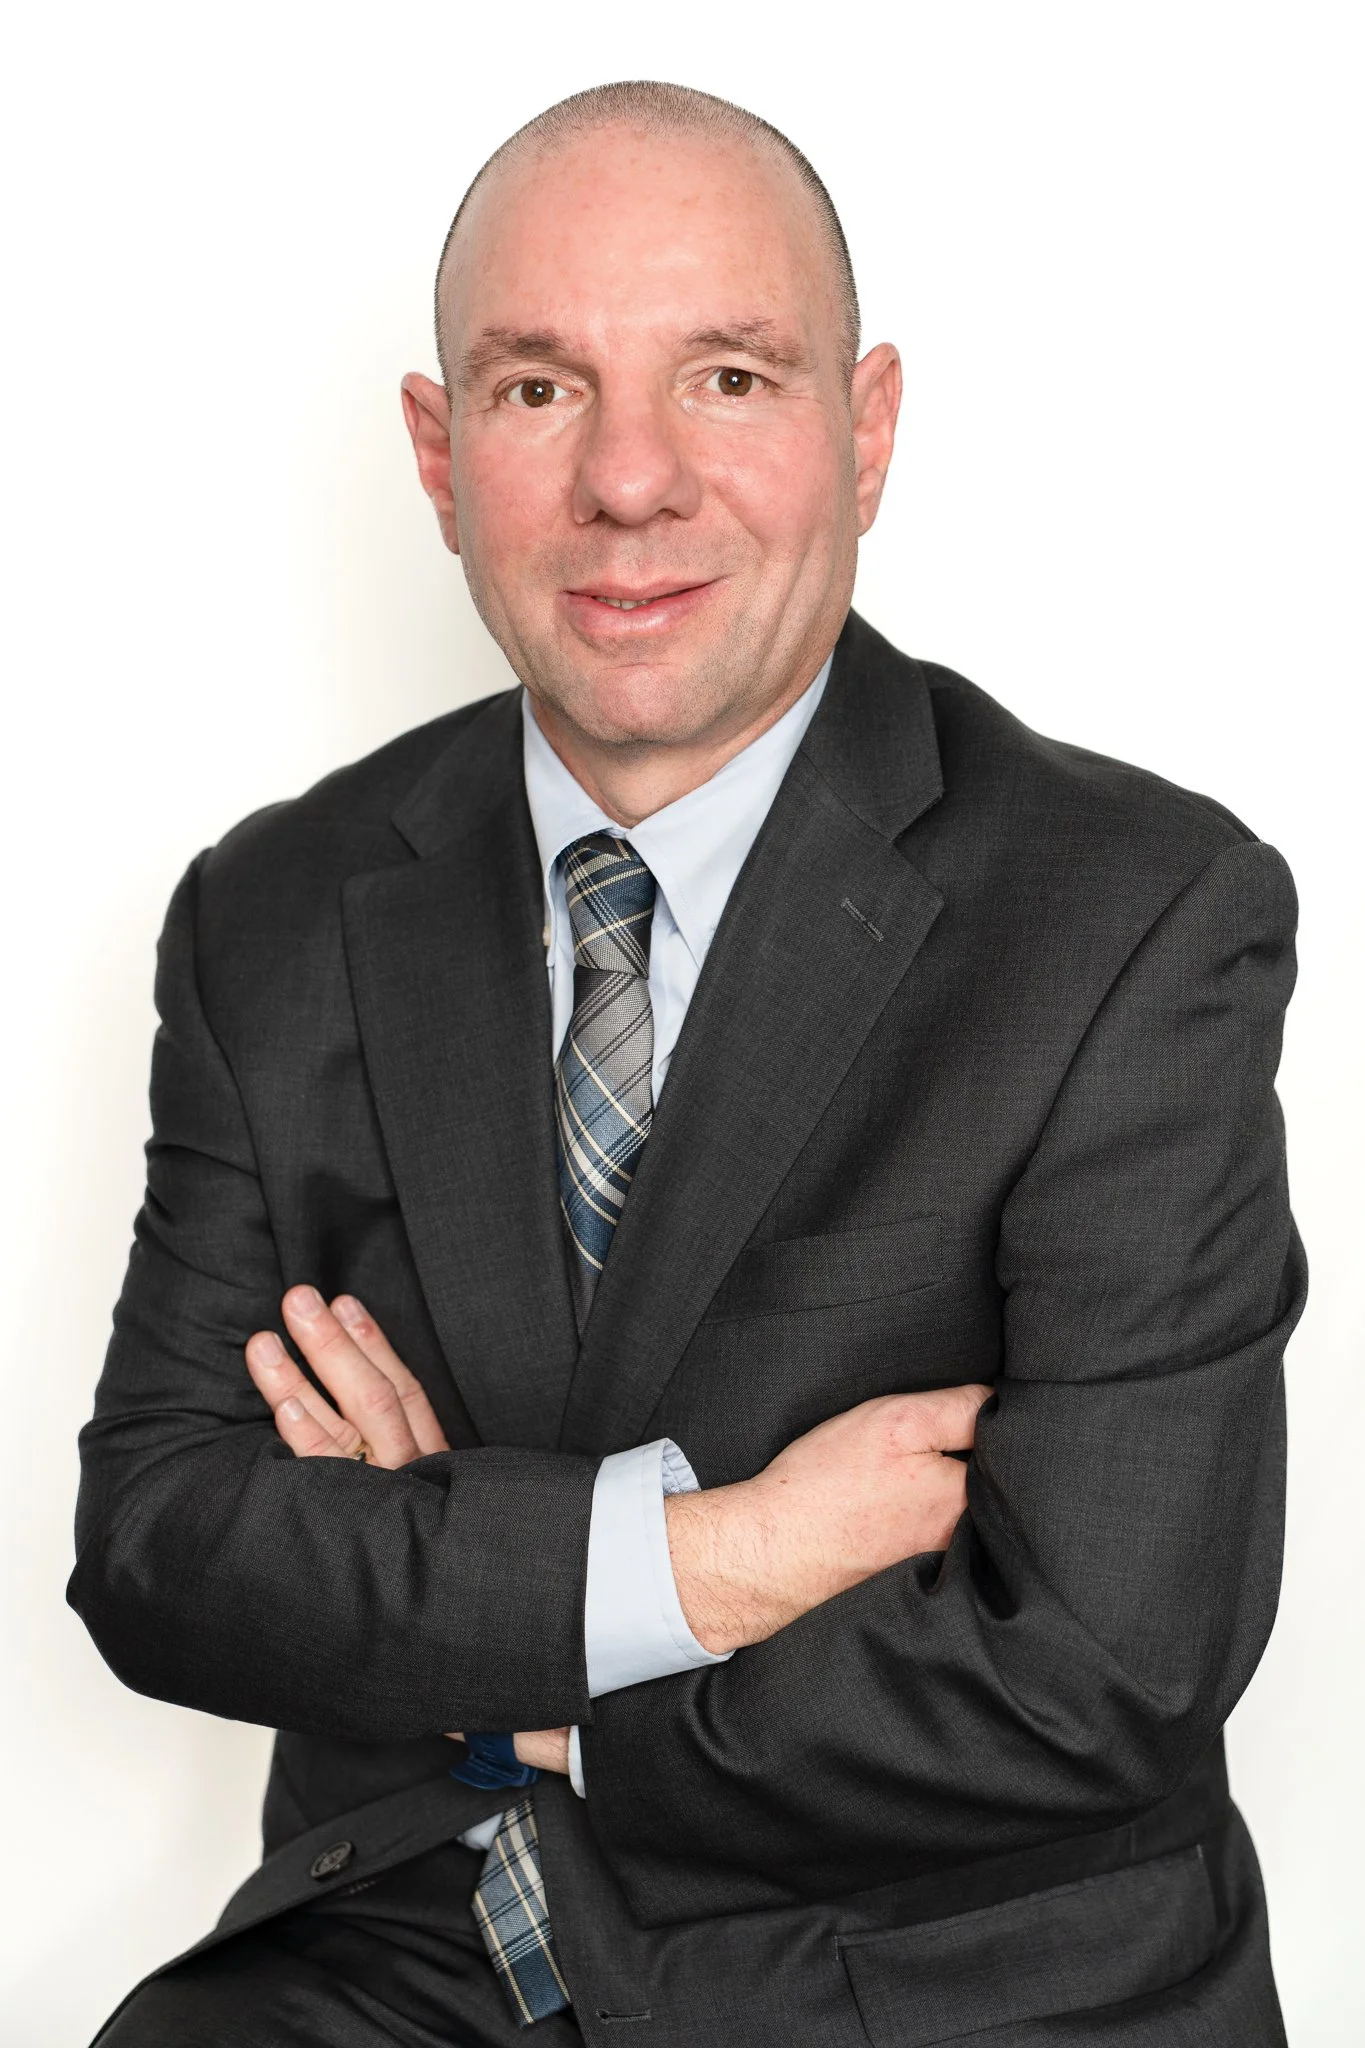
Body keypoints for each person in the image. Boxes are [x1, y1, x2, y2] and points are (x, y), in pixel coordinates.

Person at [73, 79, 1304, 2048]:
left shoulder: (1138, 914)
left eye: (727, 377)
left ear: (866, 428)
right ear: (439, 453)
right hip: (410, 1950)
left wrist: (492, 1655)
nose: (629, 481)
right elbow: (161, 1551)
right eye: (538, 389)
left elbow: (1105, 1665)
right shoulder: (274, 911)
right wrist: (715, 1561)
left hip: (956, 1994)